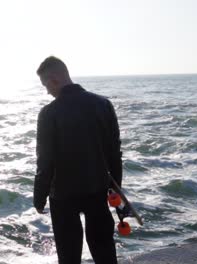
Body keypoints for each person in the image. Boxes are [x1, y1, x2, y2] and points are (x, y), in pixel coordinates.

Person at [33, 56, 122, 264]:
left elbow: (45, 162)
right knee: (104, 252)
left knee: (69, 256)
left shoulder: (49, 113)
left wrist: (39, 197)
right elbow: (114, 153)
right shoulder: (103, 105)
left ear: (54, 79)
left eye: (45, 84)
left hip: (63, 196)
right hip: (97, 190)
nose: (47, 91)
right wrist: (115, 189)